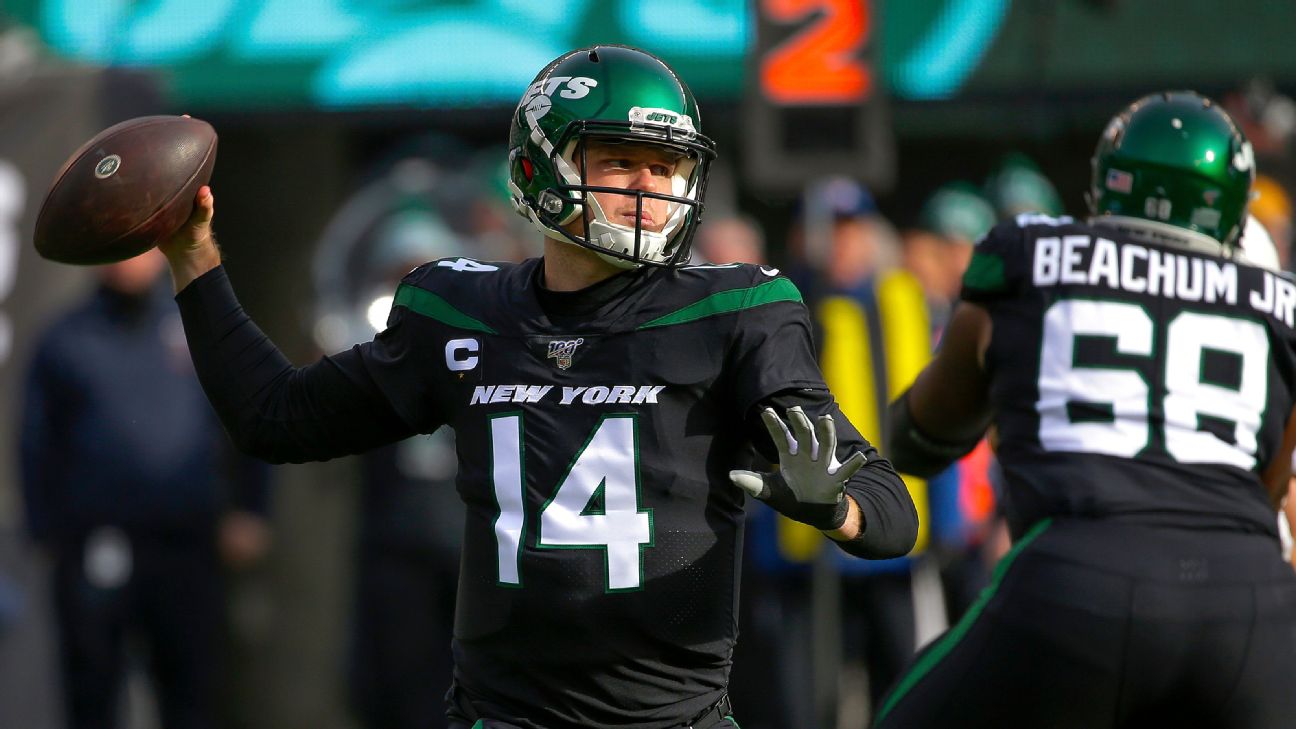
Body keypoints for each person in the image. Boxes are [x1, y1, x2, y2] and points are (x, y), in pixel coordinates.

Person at [155, 45, 918, 729]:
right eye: (620, 160)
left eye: (668, 164)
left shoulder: (734, 312)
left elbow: (892, 515)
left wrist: (838, 505)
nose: (649, 185)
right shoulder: (459, 310)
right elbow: (274, 418)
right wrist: (194, 257)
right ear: (539, 168)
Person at [874, 90, 1296, 728]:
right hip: (1249, 605)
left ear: (1109, 182)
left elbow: (921, 435)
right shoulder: (1280, 303)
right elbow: (1273, 494)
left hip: (1077, 583)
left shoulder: (1031, 258)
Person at [19, 248, 272, 729]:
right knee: (91, 691)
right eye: (117, 246)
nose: (128, 259)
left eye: (140, 246)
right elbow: (36, 441)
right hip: (96, 545)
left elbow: (252, 413)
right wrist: (45, 532)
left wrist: (252, 509)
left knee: (190, 691)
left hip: (188, 545)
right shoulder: (65, 337)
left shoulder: (198, 329)